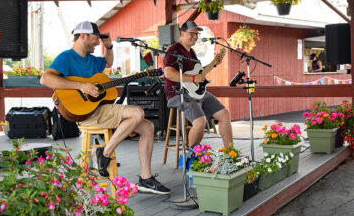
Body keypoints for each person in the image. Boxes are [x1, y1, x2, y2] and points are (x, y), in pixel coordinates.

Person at [40, 21, 170, 195]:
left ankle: (146, 179)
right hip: (83, 112)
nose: (97, 42)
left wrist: (108, 46)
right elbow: (45, 79)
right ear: (83, 36)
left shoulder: (91, 60)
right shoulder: (66, 57)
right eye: (96, 38)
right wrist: (81, 86)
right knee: (137, 112)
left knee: (148, 127)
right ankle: (105, 153)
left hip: (99, 109)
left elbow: (107, 63)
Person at [163, 20, 233, 148]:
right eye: (192, 33)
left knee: (224, 113)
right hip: (177, 92)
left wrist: (214, 63)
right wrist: (194, 78)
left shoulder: (191, 52)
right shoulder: (174, 50)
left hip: (196, 91)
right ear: (182, 33)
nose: (195, 36)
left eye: (197, 34)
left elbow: (199, 73)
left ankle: (230, 152)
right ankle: (191, 155)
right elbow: (169, 73)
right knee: (200, 122)